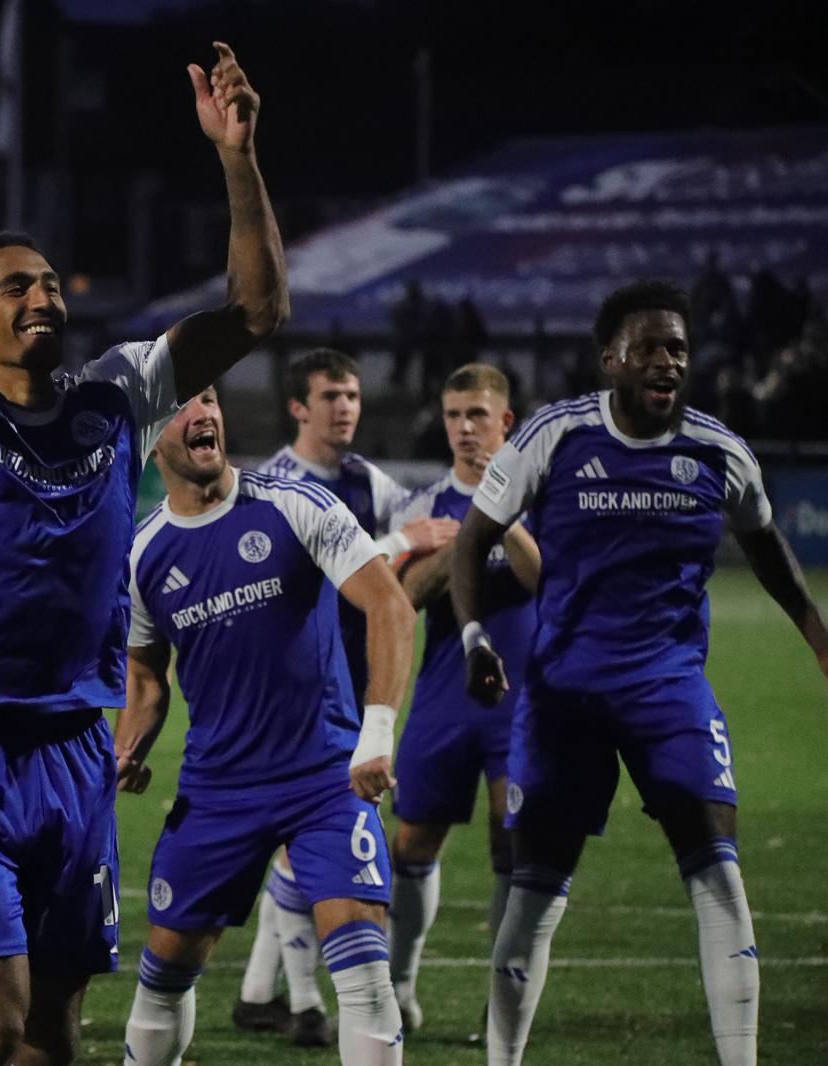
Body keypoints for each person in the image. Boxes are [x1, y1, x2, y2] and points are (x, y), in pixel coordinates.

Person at [0, 36, 287, 1066]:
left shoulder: (116, 395)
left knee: (52, 1031)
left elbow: (257, 311)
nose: (43, 294)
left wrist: (236, 158)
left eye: (49, 281)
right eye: (15, 286)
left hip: (74, 751)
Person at [451, 279, 828, 1066]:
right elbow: (471, 537)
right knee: (534, 892)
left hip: (668, 692)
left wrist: (818, 636)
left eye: (678, 348)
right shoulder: (555, 436)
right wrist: (477, 638)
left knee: (719, 873)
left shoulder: (718, 451)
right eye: (650, 346)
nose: (667, 361)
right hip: (562, 699)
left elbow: (766, 548)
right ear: (612, 359)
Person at [115, 387, 415, 1066]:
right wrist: (126, 748)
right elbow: (145, 676)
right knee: (163, 975)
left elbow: (388, 607)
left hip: (326, 776)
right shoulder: (143, 555)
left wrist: (375, 736)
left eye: (213, 398)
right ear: (153, 436)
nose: (206, 414)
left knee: (364, 971)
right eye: (185, 406)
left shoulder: (292, 503)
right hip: (219, 786)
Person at [239, 348, 457, 1038]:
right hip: (289, 688)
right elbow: (323, 568)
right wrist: (402, 540)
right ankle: (302, 1004)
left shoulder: (370, 480)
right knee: (303, 839)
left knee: (311, 839)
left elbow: (414, 555)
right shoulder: (270, 485)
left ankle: (259, 993)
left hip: (359, 684)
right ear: (298, 407)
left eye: (354, 396)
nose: (345, 409)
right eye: (331, 396)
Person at [381, 364, 539, 1035]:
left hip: (521, 702)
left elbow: (542, 580)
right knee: (412, 840)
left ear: (506, 423)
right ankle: (400, 987)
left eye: (477, 415)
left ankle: (501, 1008)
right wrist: (454, 538)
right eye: (453, 415)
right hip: (443, 699)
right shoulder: (418, 508)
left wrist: (493, 512)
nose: (463, 428)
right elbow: (406, 597)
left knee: (516, 843)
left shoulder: (540, 497)